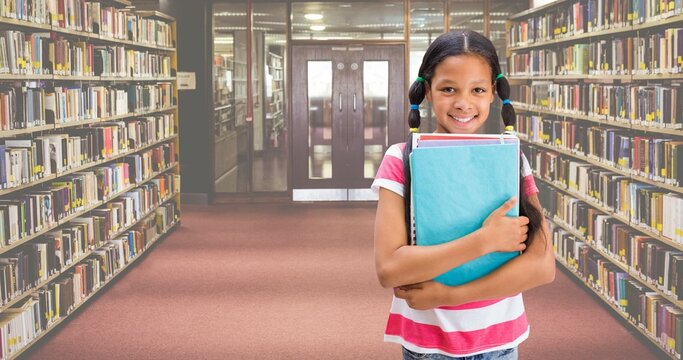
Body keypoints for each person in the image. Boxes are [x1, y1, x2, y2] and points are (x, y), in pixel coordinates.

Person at [372, 30, 556, 360]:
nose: (463, 102)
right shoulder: (401, 159)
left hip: (500, 343)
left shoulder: (513, 158)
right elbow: (390, 269)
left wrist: (449, 294)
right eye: (448, 89)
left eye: (478, 90)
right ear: (427, 92)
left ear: (493, 96)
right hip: (428, 346)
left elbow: (542, 266)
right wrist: (484, 241)